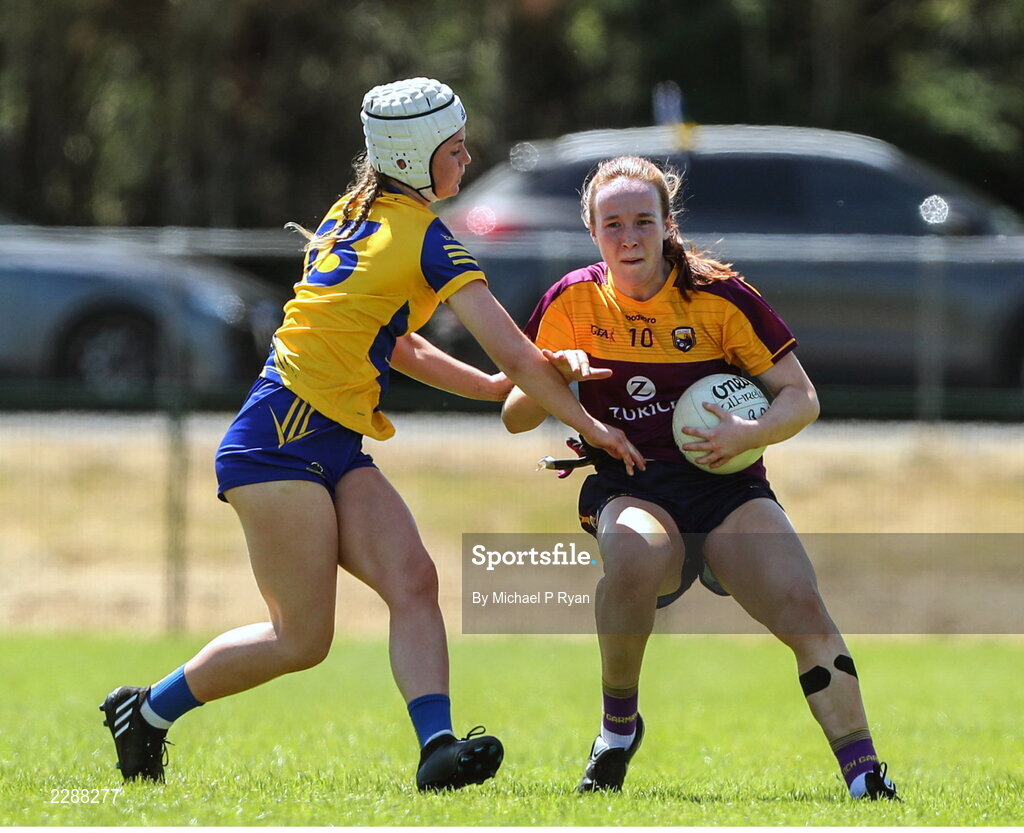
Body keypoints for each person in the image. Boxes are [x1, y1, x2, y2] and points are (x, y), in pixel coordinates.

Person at [99, 78, 644, 792]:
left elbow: (403, 344)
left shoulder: (357, 213)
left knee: (414, 578)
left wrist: (487, 390)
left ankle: (437, 749)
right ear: (418, 159)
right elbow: (517, 354)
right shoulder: (421, 237)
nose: (468, 156)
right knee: (302, 639)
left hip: (328, 442)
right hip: (277, 443)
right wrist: (593, 424)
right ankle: (145, 711)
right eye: (455, 147)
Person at [501, 155, 899, 800]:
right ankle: (617, 727)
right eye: (612, 224)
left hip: (725, 488)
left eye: (642, 222)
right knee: (631, 558)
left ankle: (865, 777)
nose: (628, 238)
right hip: (629, 482)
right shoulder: (570, 300)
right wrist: (558, 373)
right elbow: (516, 417)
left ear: (665, 225)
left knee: (802, 607)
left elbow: (801, 398)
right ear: (591, 230)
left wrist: (747, 434)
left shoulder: (719, 298)